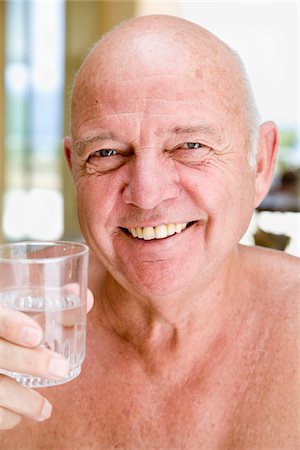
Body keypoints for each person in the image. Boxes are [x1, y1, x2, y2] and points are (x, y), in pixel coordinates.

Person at [0, 14, 299, 449]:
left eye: (190, 146)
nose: (147, 193)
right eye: (106, 152)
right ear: (73, 170)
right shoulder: (17, 331)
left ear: (260, 163)